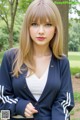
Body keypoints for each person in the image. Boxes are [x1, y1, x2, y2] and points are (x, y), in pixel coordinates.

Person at [0, 0, 74, 120]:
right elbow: (2, 105)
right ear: (27, 27)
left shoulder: (62, 62)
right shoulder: (10, 58)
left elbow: (64, 103)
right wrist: (18, 106)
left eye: (48, 25)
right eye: (34, 24)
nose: (41, 31)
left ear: (56, 29)